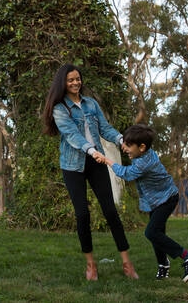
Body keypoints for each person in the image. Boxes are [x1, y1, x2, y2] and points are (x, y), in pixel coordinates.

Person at [41, 63, 138, 281]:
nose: (76, 83)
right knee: (82, 214)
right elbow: (72, 135)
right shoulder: (59, 108)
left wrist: (121, 139)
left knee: (110, 211)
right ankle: (91, 265)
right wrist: (91, 150)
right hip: (72, 166)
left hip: (96, 163)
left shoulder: (91, 104)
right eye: (71, 80)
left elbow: (104, 128)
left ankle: (127, 263)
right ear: (63, 83)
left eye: (78, 79)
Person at [98, 124, 188, 282]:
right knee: (157, 234)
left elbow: (125, 173)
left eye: (128, 145)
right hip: (155, 200)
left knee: (151, 232)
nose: (124, 149)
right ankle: (163, 264)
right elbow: (130, 152)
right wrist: (123, 141)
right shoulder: (143, 153)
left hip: (166, 199)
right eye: (125, 144)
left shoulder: (143, 163)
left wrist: (107, 160)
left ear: (141, 147)